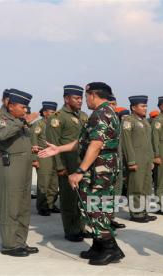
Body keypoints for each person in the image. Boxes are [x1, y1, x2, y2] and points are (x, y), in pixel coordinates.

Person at [39, 82, 124, 266]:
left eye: (86, 97)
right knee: (98, 206)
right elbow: (83, 141)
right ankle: (98, 245)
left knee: (95, 208)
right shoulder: (108, 112)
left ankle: (110, 248)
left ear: (93, 95)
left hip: (99, 170)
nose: (85, 101)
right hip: (104, 168)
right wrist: (58, 149)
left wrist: (79, 171)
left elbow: (95, 145)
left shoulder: (100, 114)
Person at [0, 89, 39, 257]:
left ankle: (20, 241)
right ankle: (10, 244)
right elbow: (2, 134)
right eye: (22, 107)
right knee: (10, 205)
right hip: (11, 165)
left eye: (26, 108)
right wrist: (24, 122)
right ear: (11, 106)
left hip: (25, 165)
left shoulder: (18, 120)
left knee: (23, 205)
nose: (25, 110)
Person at [45, 85, 89, 242]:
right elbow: (52, 144)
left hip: (81, 164)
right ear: (66, 99)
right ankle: (71, 230)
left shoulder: (83, 116)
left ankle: (81, 227)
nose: (80, 101)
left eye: (81, 98)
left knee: (81, 198)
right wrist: (60, 166)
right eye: (76, 98)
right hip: (67, 164)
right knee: (69, 199)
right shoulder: (57, 118)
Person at [121, 95, 157, 223]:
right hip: (136, 159)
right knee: (136, 186)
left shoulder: (145, 121)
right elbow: (127, 143)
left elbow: (149, 142)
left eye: (146, 106)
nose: (145, 108)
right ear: (133, 107)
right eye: (142, 106)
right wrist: (131, 161)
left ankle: (144, 211)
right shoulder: (128, 121)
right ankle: (136, 213)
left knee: (146, 187)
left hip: (146, 159)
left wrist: (152, 159)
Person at [31, 101, 60, 216]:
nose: (54, 114)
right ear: (44, 112)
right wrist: (34, 159)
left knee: (54, 183)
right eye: (52, 112)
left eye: (55, 112)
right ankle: (42, 207)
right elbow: (33, 141)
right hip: (43, 155)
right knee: (44, 182)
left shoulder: (55, 124)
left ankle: (51, 204)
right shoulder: (38, 125)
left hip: (55, 155)